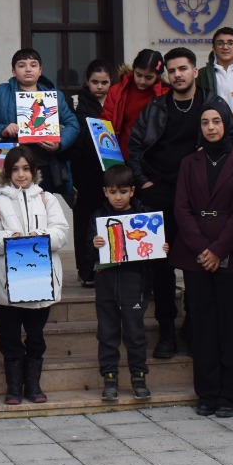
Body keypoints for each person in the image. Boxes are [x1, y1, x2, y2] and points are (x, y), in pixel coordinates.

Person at [126, 47, 213, 360]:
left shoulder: (211, 104)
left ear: (194, 71)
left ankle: (191, 326)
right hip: (159, 194)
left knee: (196, 265)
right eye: (172, 70)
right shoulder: (156, 107)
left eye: (183, 69)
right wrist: (143, 181)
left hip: (199, 197)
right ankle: (165, 333)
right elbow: (134, 146)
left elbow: (228, 144)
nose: (177, 75)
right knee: (160, 267)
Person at [172, 100, 233, 417]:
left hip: (232, 254)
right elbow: (181, 208)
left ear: (226, 125)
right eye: (205, 122)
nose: (210, 127)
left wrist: (218, 249)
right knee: (203, 326)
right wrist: (201, 249)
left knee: (230, 327)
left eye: (216, 121)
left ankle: (232, 396)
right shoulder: (189, 163)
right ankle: (207, 394)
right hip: (195, 255)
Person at [0, 148, 70, 405]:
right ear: (8, 172)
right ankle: (13, 387)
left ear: (34, 171)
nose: (21, 174)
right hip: (7, 283)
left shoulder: (47, 199)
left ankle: (32, 385)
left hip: (39, 279)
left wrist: (38, 238)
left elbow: (61, 232)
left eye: (26, 169)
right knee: (9, 338)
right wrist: (11, 239)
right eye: (15, 169)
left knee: (35, 336)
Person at [89, 164, 157, 402]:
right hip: (106, 282)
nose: (118, 197)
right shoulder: (98, 217)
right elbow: (90, 255)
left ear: (132, 191)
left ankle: (139, 377)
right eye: (113, 192)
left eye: (123, 191)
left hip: (134, 282)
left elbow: (152, 248)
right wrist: (94, 244)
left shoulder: (143, 216)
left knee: (135, 332)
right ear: (105, 191)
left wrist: (161, 248)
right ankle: (109, 378)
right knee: (107, 332)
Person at [0, 48, 80, 194]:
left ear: (40, 70)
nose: (28, 69)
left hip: (45, 166)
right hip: (12, 166)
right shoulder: (2, 92)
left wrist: (59, 144)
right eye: (21, 65)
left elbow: (73, 124)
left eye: (33, 65)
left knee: (45, 209)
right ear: (13, 71)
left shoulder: (54, 96)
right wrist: (3, 129)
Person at [68, 59, 116, 287]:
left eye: (104, 82)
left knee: (110, 218)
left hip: (112, 169)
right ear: (87, 81)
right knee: (85, 221)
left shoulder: (117, 100)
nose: (99, 86)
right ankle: (86, 270)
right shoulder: (77, 103)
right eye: (95, 82)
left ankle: (110, 265)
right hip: (84, 170)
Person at [101, 49, 166, 154]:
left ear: (158, 76)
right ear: (133, 70)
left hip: (153, 158)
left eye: (148, 77)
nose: (142, 81)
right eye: (138, 75)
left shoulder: (165, 94)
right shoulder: (117, 91)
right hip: (121, 155)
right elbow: (105, 122)